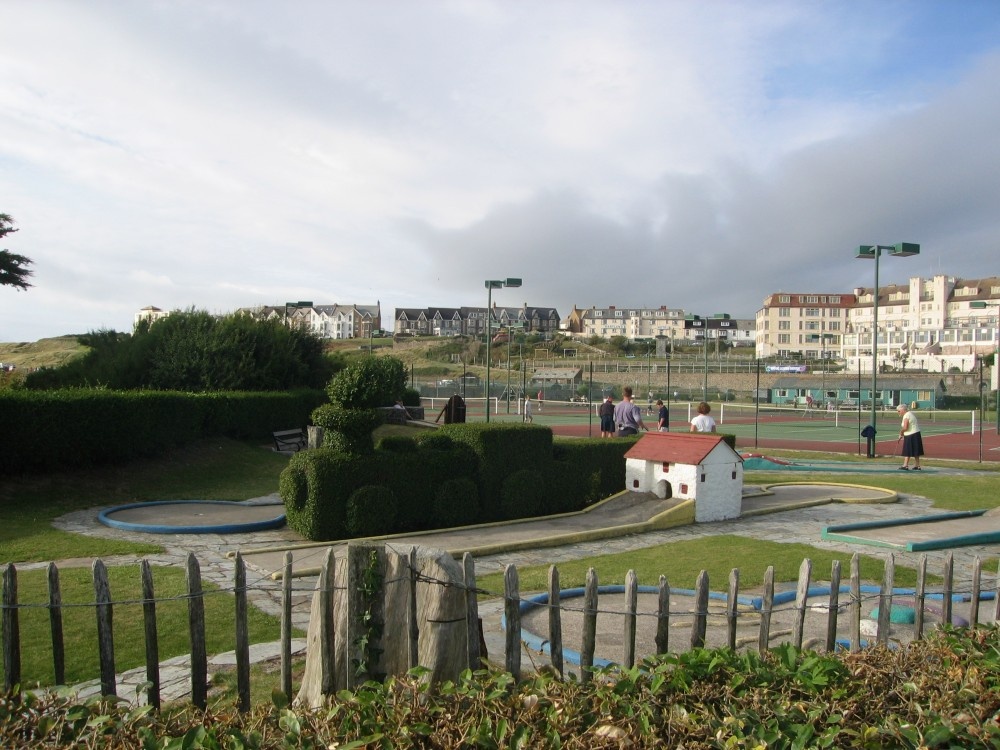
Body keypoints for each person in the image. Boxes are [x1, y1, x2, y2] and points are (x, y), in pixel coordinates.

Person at [897, 402, 924, 470]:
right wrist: (902, 434)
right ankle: (917, 465)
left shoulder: (906, 415)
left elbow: (905, 427)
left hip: (911, 435)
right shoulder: (910, 414)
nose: (898, 412)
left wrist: (901, 433)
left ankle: (905, 465)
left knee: (907, 450)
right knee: (916, 450)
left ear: (903, 410)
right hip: (915, 434)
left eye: (899, 411)